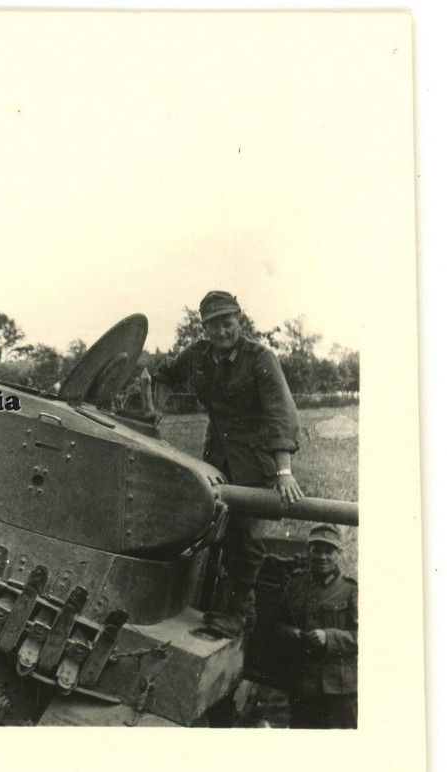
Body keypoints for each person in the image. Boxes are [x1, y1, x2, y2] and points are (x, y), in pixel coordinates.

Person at [153, 290, 304, 637]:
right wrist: (155, 410)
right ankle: (218, 604)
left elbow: (281, 413)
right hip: (217, 460)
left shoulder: (260, 358)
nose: (221, 332)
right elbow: (165, 374)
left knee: (245, 540)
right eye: (213, 326)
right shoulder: (198, 356)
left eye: (227, 323)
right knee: (210, 530)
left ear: (240, 320)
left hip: (255, 463)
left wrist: (284, 471)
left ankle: (238, 614)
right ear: (204, 329)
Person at [272, 524, 357, 728]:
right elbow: (277, 624)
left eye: (329, 551)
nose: (322, 557)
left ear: (339, 554)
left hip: (339, 690)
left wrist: (329, 637)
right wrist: (291, 632)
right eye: (317, 550)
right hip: (302, 685)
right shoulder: (295, 584)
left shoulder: (350, 590)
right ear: (308, 551)